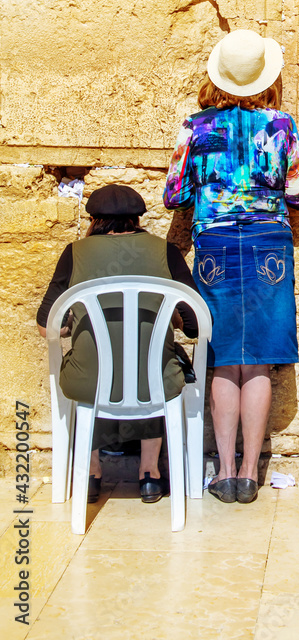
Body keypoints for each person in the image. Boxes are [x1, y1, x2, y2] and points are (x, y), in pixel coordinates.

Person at [163, 28, 299, 504]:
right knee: (260, 356)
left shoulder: (196, 127)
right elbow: (298, 194)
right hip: (268, 241)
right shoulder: (281, 125)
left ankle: (223, 470)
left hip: (216, 245)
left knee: (225, 357)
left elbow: (174, 195)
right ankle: (250, 472)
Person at [37, 183, 200, 505]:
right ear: (138, 219)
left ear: (94, 220)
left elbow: (46, 326)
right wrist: (169, 317)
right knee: (155, 363)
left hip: (89, 382)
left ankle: (92, 473)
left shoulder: (75, 252)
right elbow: (195, 325)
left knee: (93, 366)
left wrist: (76, 322)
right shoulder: (164, 251)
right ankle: (150, 474)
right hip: (156, 383)